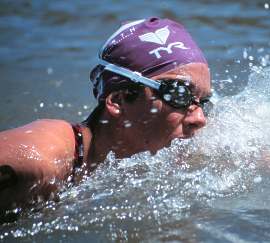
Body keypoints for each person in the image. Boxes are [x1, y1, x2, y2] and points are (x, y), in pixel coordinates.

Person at [0, 17, 212, 213]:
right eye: (179, 94)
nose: (200, 119)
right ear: (118, 100)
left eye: (203, 102)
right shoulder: (40, 160)